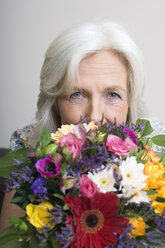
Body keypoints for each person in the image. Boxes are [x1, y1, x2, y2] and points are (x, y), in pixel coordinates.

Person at [0, 21, 163, 231]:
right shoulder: (27, 145)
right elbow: (10, 237)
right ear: (55, 103)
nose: (94, 116)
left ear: (130, 102)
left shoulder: (156, 155)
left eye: (113, 95)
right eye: (77, 94)